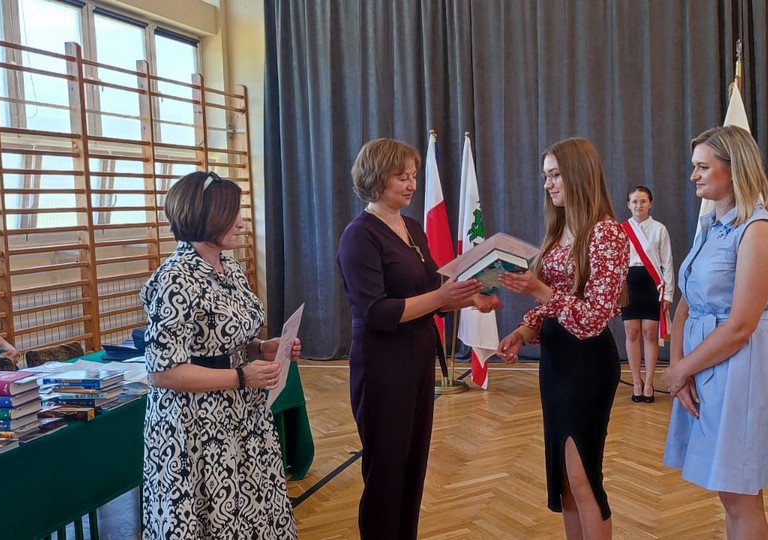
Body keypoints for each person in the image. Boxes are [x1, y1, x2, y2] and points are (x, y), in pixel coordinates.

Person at [336, 138, 500, 540]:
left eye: (413, 176)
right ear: (376, 178)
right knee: (386, 470)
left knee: (412, 466)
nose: (412, 184)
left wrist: (471, 298)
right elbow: (376, 312)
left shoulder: (410, 226)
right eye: (402, 176)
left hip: (416, 359)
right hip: (382, 364)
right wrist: (441, 298)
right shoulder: (359, 236)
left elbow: (432, 288)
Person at [141, 171, 299, 539]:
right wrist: (241, 377)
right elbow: (162, 372)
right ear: (204, 216)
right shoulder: (175, 278)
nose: (240, 223)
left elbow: (227, 339)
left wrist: (262, 348)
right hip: (195, 424)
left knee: (250, 510)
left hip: (240, 412)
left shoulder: (231, 268)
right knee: (211, 516)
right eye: (232, 214)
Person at [661, 126, 768, 539]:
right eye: (694, 167)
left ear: (734, 169)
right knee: (729, 493)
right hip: (705, 366)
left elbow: (740, 326)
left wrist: (682, 369)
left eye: (703, 167)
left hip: (739, 370)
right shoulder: (711, 226)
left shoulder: (758, 230)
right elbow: (685, 303)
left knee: (740, 495)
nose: (693, 176)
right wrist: (679, 367)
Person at [496, 137, 628, 539]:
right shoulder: (560, 231)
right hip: (556, 363)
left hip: (587, 364)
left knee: (583, 474)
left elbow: (592, 318)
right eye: (545, 176)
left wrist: (539, 291)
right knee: (565, 481)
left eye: (555, 175)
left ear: (578, 175)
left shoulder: (607, 233)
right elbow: (555, 303)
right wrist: (524, 330)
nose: (548, 184)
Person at [620, 185, 674, 403]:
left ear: (650, 203)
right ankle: (636, 382)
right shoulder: (622, 230)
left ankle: (649, 382)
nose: (639, 205)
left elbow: (667, 263)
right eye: (634, 201)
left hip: (652, 286)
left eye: (643, 201)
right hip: (629, 287)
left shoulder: (659, 229)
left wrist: (668, 294)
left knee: (650, 334)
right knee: (632, 333)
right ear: (628, 205)